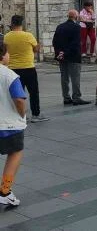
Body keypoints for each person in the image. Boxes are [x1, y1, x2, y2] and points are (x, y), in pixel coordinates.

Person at [5, 16, 47, 122]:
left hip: (13, 69)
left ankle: (19, 114)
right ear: (22, 24)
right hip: (28, 67)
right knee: (33, 92)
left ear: (12, 24)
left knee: (17, 93)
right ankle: (36, 115)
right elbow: (36, 48)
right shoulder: (28, 36)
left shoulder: (7, 37)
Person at [0, 44, 27, 206]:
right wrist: (22, 113)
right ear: (2, 56)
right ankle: (5, 190)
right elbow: (19, 99)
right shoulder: (9, 75)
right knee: (15, 153)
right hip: (8, 124)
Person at [52, 10, 89, 106]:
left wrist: (59, 52)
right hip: (73, 56)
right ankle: (76, 97)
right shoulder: (77, 27)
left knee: (64, 77)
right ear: (76, 17)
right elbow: (75, 43)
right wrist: (65, 52)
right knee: (75, 77)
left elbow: (54, 41)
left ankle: (66, 97)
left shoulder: (60, 27)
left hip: (61, 56)